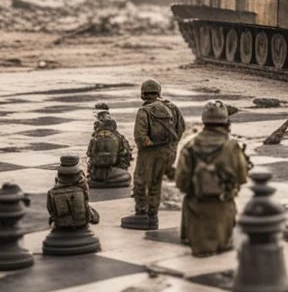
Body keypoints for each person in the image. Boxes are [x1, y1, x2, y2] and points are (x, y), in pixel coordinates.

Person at [174, 101, 250, 257]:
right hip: (223, 209)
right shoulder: (232, 147)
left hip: (196, 209)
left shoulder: (189, 146)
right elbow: (242, 178)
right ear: (225, 122)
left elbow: (180, 181)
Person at [122, 79, 186, 230]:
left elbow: (140, 138)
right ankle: (153, 216)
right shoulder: (172, 107)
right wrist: (171, 146)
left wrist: (150, 147)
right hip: (168, 152)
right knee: (156, 184)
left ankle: (141, 213)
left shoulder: (144, 111)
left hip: (149, 154)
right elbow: (181, 128)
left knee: (140, 182)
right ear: (158, 92)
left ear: (143, 94)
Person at [46, 155, 100, 231]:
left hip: (60, 224)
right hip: (80, 223)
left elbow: (51, 210)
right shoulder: (81, 189)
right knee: (95, 216)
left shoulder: (52, 193)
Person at [87, 107, 134, 188]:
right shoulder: (119, 137)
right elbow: (126, 157)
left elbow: (89, 155)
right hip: (113, 174)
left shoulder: (94, 137)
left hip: (96, 175)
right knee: (127, 176)